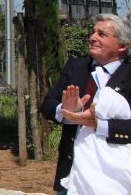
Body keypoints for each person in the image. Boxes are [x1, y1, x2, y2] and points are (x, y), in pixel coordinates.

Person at [41, 13, 131, 194]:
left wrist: (99, 125)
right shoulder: (76, 67)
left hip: (115, 178)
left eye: (101, 34)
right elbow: (48, 104)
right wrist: (65, 111)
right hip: (72, 175)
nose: (92, 38)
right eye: (92, 32)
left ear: (123, 46)